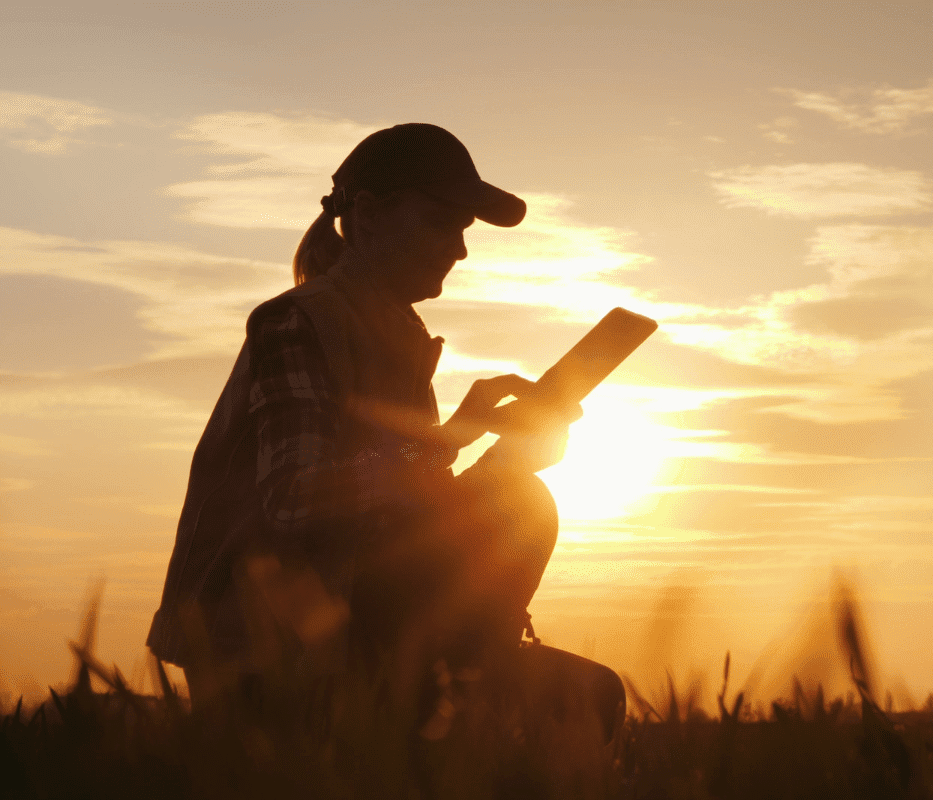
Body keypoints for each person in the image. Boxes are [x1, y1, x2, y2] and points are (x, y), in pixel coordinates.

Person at [145, 122, 624, 740]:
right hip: (273, 658)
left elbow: (403, 508)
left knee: (588, 689)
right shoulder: (293, 323)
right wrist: (454, 439)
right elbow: (297, 499)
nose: (459, 249)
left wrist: (504, 464)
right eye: (440, 222)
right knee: (571, 701)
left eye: (463, 231)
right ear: (367, 217)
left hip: (368, 632)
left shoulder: (398, 338)